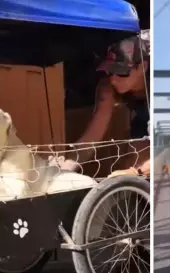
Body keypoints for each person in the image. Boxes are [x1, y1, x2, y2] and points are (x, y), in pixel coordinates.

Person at [52, 30, 151, 177]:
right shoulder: (108, 87)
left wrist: (136, 172)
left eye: (121, 71)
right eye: (109, 71)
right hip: (141, 119)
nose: (113, 79)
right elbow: (91, 137)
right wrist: (66, 167)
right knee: (135, 158)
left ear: (142, 67)